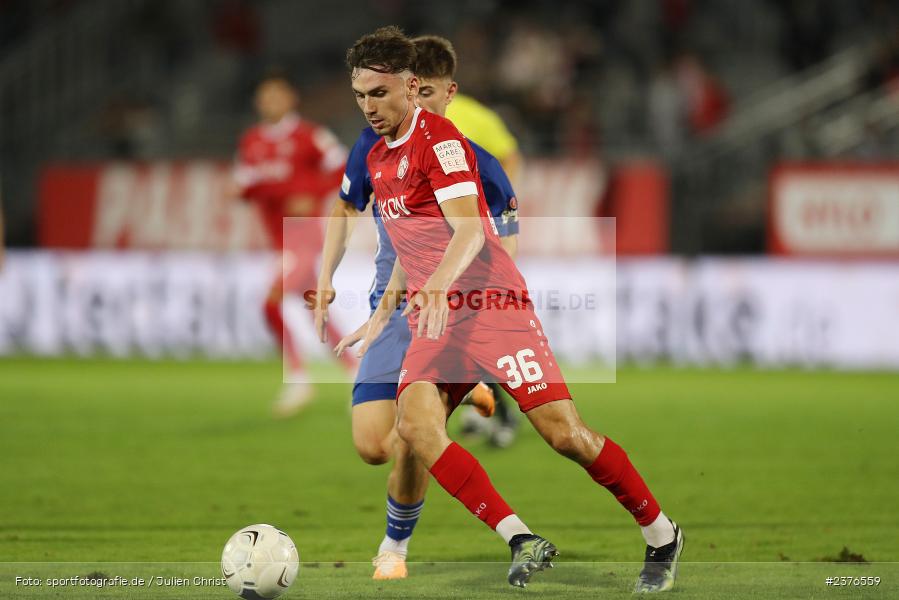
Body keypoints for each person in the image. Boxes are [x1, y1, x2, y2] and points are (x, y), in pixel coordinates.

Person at [338, 27, 684, 592]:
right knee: (416, 428)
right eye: (360, 95)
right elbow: (412, 241)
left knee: (565, 435)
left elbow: (471, 229)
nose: (369, 106)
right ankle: (521, 537)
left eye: (379, 93)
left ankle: (661, 533)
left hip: (490, 305)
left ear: (411, 84)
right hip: (438, 314)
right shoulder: (378, 157)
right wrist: (384, 312)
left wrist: (437, 286)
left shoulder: (442, 143)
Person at [311, 32, 519, 580]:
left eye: (428, 95)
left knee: (411, 434)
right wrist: (326, 278)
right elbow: (344, 206)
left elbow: (503, 236)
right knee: (373, 445)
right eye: (411, 94)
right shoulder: (373, 148)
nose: (416, 107)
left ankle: (394, 548)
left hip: (447, 312)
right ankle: (466, 391)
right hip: (391, 303)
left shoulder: (474, 162)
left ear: (444, 94)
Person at [414, 34, 521, 448]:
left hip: (474, 244)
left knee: (474, 338)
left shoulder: (474, 120)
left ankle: (500, 412)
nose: (421, 99)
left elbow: (505, 163)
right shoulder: (405, 127)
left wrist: (504, 212)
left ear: (449, 89)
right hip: (434, 250)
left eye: (429, 89)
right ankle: (478, 412)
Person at [232, 69, 348, 417]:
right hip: (277, 236)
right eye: (264, 97)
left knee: (271, 302)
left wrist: (310, 194)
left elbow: (344, 166)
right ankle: (358, 373)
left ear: (290, 99)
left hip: (302, 233)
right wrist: (248, 190)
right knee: (315, 305)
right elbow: (244, 185)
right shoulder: (251, 141)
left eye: (276, 96)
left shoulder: (309, 135)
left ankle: (298, 380)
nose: (270, 102)